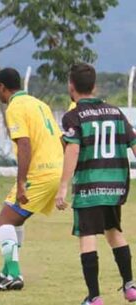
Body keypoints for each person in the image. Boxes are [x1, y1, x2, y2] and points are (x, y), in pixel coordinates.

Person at [55, 63, 136, 305]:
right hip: (114, 187)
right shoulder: (116, 112)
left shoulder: (73, 116)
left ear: (71, 86)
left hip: (90, 187)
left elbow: (74, 148)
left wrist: (62, 186)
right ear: (95, 86)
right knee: (114, 233)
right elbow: (133, 144)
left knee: (88, 237)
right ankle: (130, 286)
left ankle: (94, 298)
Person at [0, 68, 64, 291]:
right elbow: (61, 139)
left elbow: (24, 144)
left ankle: (14, 275)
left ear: (2, 87)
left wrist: (21, 183)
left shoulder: (15, 107)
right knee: (15, 220)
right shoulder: (40, 104)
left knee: (3, 222)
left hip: (40, 173)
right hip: (55, 170)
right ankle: (6, 271)